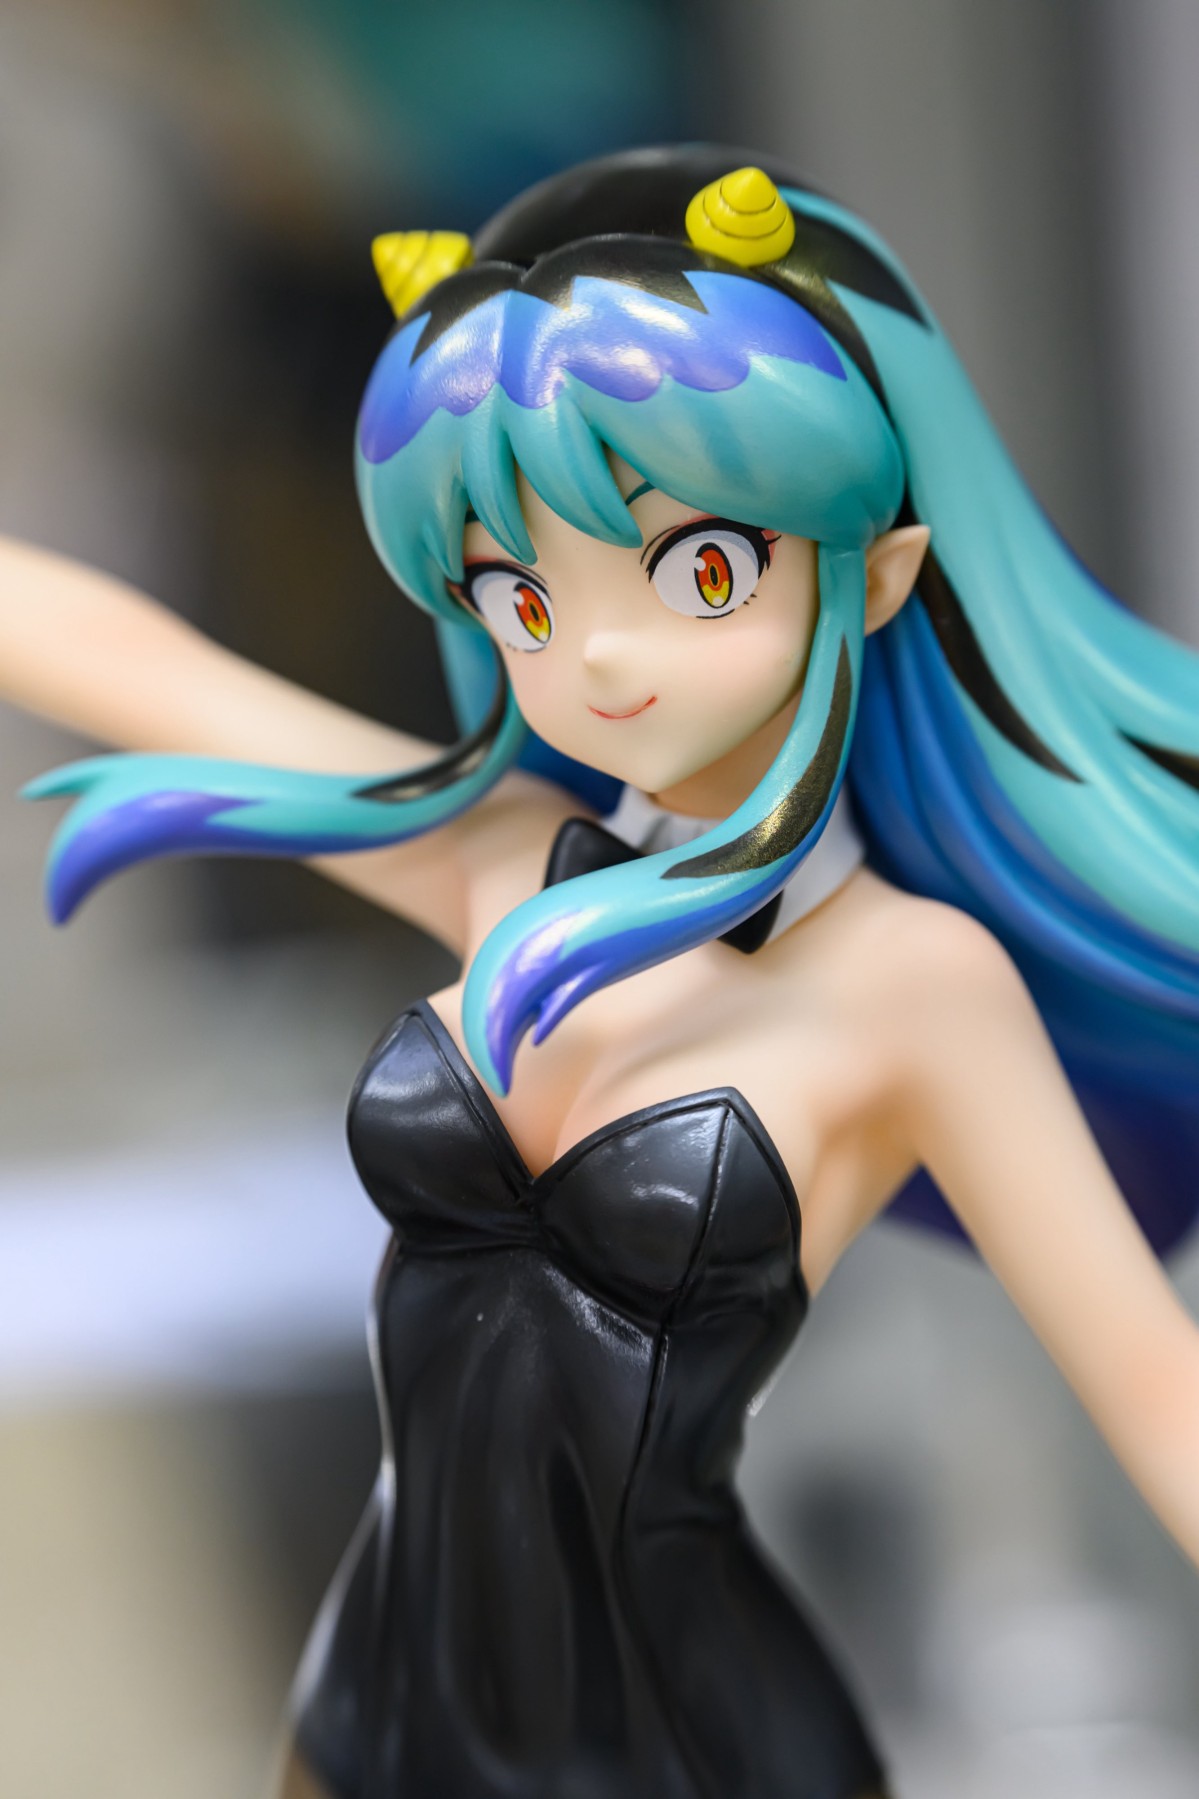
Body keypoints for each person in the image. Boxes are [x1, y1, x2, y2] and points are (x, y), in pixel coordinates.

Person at [4, 145, 1199, 1799]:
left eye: (699, 568)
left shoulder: (918, 987)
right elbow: (134, 661)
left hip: (684, 1743)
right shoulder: (500, 861)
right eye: (519, 594)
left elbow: (1157, 1389)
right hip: (371, 1710)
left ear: (877, 572)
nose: (596, 656)